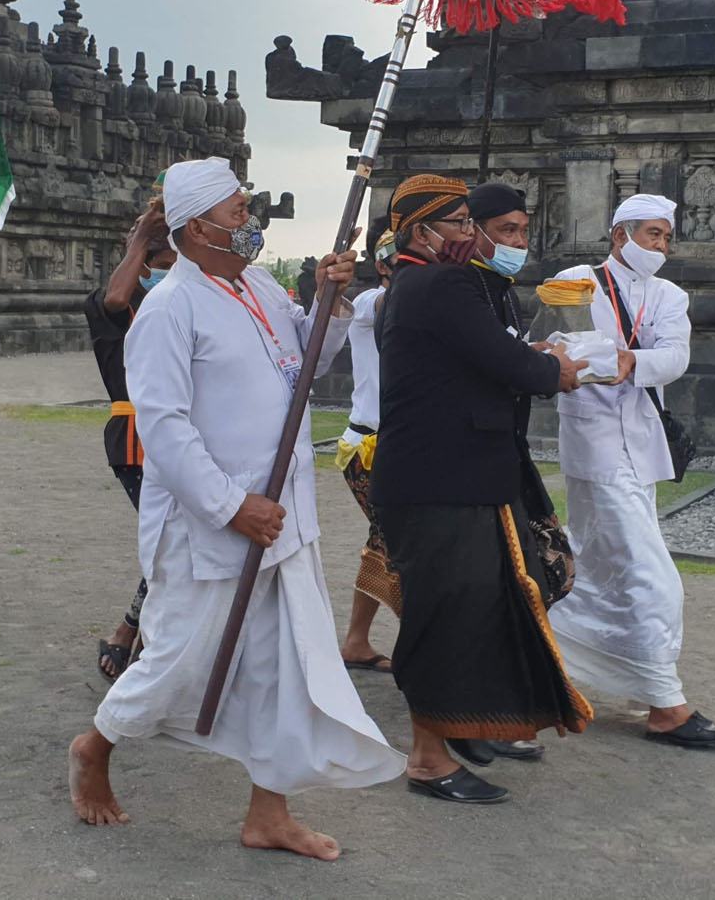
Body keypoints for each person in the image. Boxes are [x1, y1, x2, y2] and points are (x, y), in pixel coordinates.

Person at [69, 156, 402, 860]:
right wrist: (230, 505)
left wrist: (328, 303)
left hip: (283, 513)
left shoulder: (258, 285)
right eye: (236, 212)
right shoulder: (167, 308)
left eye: (246, 209)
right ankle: (96, 744)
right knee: (178, 659)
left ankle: (268, 814)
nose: (247, 222)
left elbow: (304, 362)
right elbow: (162, 430)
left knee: (280, 668)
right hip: (208, 521)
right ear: (196, 228)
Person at [372, 173, 591, 806]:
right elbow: (510, 364)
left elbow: (489, 356)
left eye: (475, 223)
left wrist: (539, 361)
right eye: (462, 224)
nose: (474, 236)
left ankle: (464, 728)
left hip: (454, 476)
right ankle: (427, 758)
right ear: (422, 232)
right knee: (443, 616)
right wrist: (557, 369)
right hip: (441, 480)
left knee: (472, 608)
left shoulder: (424, 283)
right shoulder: (440, 283)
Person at [548, 194, 715, 750]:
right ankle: (665, 703)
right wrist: (616, 359)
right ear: (619, 235)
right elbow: (562, 348)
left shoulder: (669, 295)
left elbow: (675, 356)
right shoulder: (575, 279)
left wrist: (633, 361)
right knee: (653, 575)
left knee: (601, 560)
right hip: (594, 444)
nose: (660, 246)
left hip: (642, 447)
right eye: (651, 234)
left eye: (666, 237)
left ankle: (542, 643)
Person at [449, 180, 548, 768]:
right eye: (505, 231)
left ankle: (492, 711)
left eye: (523, 231)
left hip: (500, 458)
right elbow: (503, 363)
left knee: (524, 582)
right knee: (475, 593)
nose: (518, 242)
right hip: (458, 466)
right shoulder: (453, 290)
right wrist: (544, 366)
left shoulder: (500, 289)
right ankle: (456, 724)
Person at [85, 197, 176, 680]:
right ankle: (131, 631)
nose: (169, 267)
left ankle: (147, 634)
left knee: (177, 540)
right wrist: (142, 237)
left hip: (185, 435)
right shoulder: (109, 303)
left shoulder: (184, 297)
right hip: (136, 440)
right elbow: (117, 301)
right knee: (168, 541)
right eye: (158, 260)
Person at [333, 224, 398, 674]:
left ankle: (356, 640)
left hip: (400, 445)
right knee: (404, 543)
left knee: (385, 540)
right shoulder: (370, 304)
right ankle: (431, 647)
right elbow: (391, 302)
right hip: (371, 447)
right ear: (381, 266)